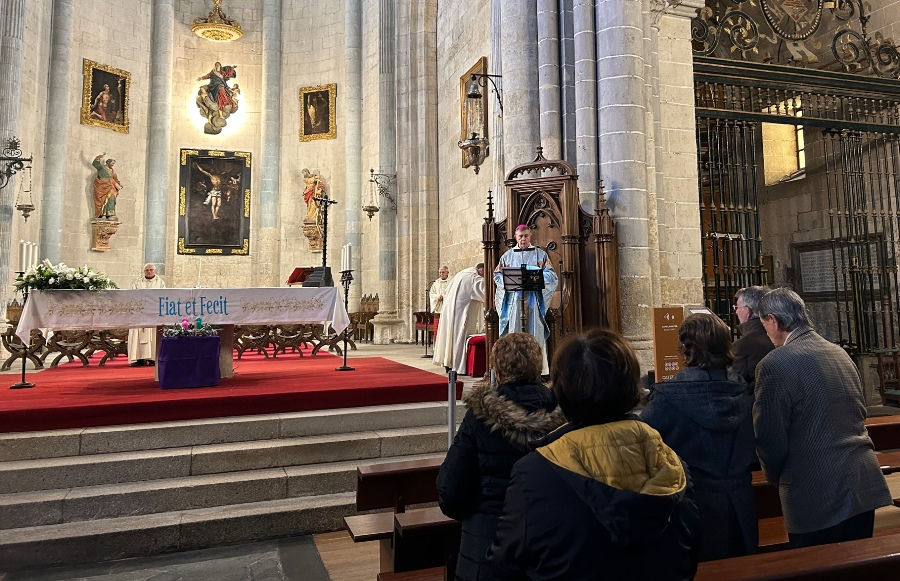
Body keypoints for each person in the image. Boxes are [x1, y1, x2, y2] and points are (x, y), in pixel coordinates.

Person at [488, 328, 700, 579]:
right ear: (632, 386)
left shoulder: (534, 474)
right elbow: (688, 552)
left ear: (561, 391)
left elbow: (504, 565)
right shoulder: (670, 464)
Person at [754, 287, 891, 548]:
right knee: (856, 563)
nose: (767, 334)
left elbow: (770, 437)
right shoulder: (839, 353)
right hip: (861, 481)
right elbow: (858, 410)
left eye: (764, 326)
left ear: (773, 320)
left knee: (814, 563)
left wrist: (775, 477)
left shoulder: (774, 364)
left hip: (816, 491)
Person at [437, 333, 565, 581]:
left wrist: (476, 517)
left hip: (488, 541)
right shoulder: (563, 412)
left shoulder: (480, 416)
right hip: (551, 542)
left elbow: (450, 488)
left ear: (497, 368)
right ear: (538, 365)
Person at [641, 313, 757, 561]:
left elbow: (642, 442)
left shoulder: (671, 397)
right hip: (740, 503)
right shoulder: (741, 390)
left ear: (686, 347)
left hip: (695, 505)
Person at [494, 225, 558, 374]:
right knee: (514, 332)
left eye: (526, 236)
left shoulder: (540, 255)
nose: (523, 239)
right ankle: (514, 369)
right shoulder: (507, 256)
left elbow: (551, 276)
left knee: (535, 333)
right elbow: (497, 275)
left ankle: (537, 370)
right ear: (516, 237)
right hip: (515, 301)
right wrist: (509, 282)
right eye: (520, 236)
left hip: (533, 301)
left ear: (530, 236)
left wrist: (534, 277)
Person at [433, 263, 485, 374]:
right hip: (461, 313)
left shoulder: (461, 274)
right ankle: (457, 366)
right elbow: (486, 294)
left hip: (449, 310)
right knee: (458, 337)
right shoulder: (474, 278)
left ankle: (448, 363)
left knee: (449, 337)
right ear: (481, 270)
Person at [732, 286, 774, 395]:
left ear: (747, 311)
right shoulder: (778, 335)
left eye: (737, 307)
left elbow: (735, 385)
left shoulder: (742, 346)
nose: (736, 312)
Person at [128, 263, 166, 367]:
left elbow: (163, 296)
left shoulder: (160, 283)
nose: (149, 272)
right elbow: (132, 296)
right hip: (139, 313)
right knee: (137, 336)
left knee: (153, 336)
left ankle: (153, 358)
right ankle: (137, 358)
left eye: (151, 270)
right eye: (147, 270)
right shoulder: (138, 283)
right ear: (144, 271)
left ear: (155, 271)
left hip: (153, 313)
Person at [92, 153, 121, 220]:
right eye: (112, 163)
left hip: (111, 187)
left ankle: (110, 214)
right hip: (102, 187)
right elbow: (95, 164)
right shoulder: (102, 168)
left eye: (113, 164)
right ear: (108, 162)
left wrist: (118, 184)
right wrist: (98, 158)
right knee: (103, 199)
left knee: (112, 199)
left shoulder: (113, 171)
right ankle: (102, 214)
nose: (112, 165)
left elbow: (115, 179)